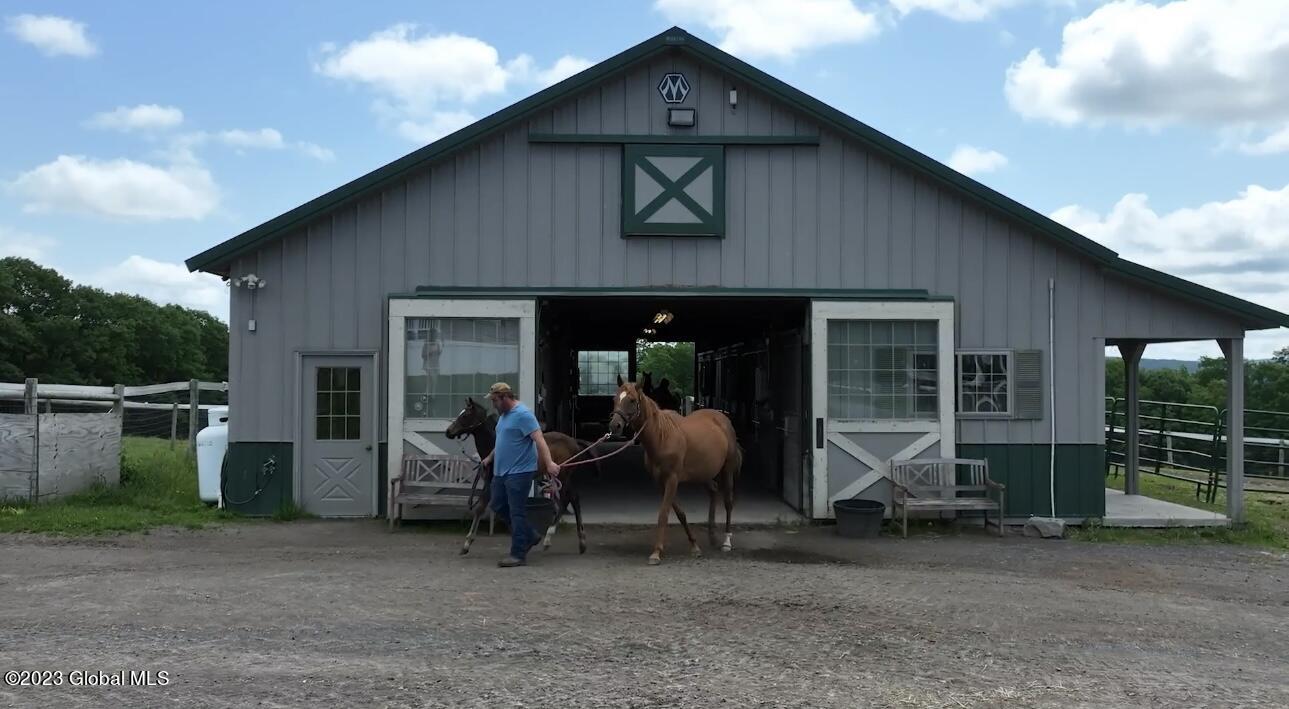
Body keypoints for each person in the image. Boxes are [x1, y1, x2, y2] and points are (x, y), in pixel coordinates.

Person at [480, 382, 561, 567]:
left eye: (494, 400)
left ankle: (518, 554)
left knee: (516, 512)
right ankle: (530, 535)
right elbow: (502, 440)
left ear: (505, 397)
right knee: (497, 504)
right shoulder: (504, 416)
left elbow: (539, 440)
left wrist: (549, 463)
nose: (493, 404)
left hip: (520, 472)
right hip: (501, 471)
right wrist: (489, 458)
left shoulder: (523, 415)